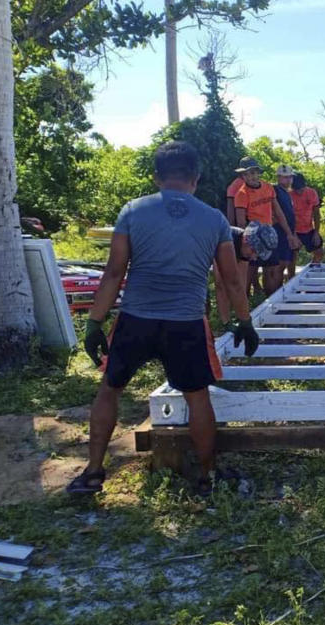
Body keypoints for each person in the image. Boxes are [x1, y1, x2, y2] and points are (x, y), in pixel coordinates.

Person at [67, 142, 259, 497]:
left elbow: (113, 272)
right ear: (196, 179)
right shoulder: (214, 219)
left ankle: (93, 472)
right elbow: (231, 279)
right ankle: (206, 476)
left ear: (156, 177)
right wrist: (245, 322)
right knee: (197, 397)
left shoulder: (133, 211)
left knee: (110, 389)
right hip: (185, 321)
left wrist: (94, 322)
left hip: (135, 318)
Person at [233, 157, 299, 296]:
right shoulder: (241, 194)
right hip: (252, 236)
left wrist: (289, 234)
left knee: (272, 269)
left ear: (258, 173)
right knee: (249, 273)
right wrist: (247, 244)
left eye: (253, 172)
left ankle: (271, 301)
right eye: (247, 174)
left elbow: (278, 212)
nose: (251, 176)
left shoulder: (268, 187)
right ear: (243, 176)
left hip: (269, 235)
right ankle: (245, 309)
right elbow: (240, 221)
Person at [213, 222, 278, 324]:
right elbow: (220, 284)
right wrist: (226, 323)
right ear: (245, 240)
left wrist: (244, 319)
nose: (254, 257)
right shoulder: (226, 241)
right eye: (254, 251)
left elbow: (240, 285)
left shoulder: (245, 248)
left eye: (258, 254)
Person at [272, 164, 301, 286]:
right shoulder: (275, 190)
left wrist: (293, 233)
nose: (288, 180)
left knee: (285, 262)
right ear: (278, 177)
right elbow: (275, 213)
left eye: (290, 177)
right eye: (284, 177)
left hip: (288, 232)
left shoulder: (287, 193)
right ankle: (275, 293)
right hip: (279, 231)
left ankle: (279, 290)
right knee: (279, 265)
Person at [290, 172, 324, 265]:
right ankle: (291, 277)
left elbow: (317, 214)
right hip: (294, 230)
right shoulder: (289, 195)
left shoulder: (312, 193)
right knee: (292, 257)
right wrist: (293, 235)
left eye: (301, 188)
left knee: (319, 252)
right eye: (296, 189)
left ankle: (313, 270)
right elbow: (287, 217)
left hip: (308, 229)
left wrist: (316, 232)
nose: (299, 191)